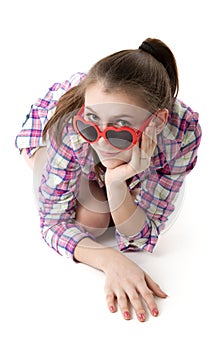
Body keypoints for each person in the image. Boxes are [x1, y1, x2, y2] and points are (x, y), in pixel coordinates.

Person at [15, 38, 202, 322]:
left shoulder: (181, 133)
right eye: (92, 122)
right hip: (51, 133)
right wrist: (111, 260)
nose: (101, 141)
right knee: (92, 219)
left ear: (158, 122)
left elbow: (143, 235)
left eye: (121, 129)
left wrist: (116, 183)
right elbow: (53, 221)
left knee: (109, 209)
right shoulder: (73, 126)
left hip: (136, 149)